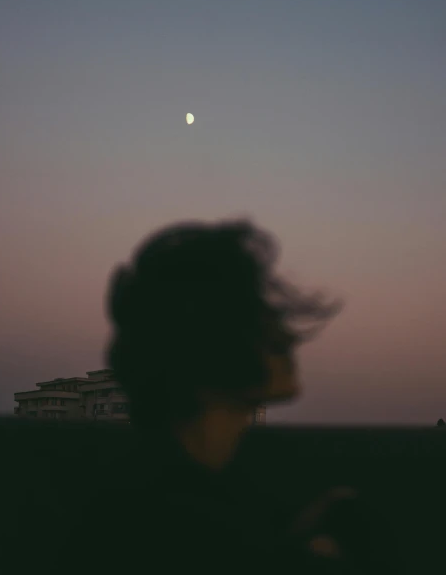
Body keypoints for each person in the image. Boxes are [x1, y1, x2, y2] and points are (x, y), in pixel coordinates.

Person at [96, 218, 402, 573]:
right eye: (258, 322)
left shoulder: (173, 489)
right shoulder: (176, 526)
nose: (288, 338)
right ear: (204, 347)